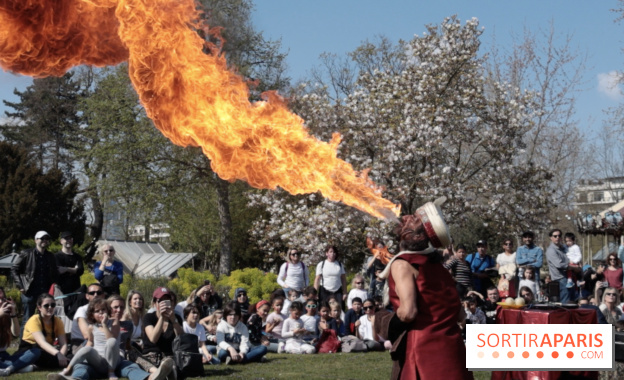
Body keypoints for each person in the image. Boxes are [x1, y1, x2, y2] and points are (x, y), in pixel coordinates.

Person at [375, 201, 472, 379]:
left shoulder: (402, 265)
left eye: (414, 220)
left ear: (413, 235)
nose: (407, 217)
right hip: (454, 351)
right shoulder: (440, 268)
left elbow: (408, 313)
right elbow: (460, 315)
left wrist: (381, 320)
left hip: (425, 353)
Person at [59, 298, 120, 380]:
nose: (101, 312)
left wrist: (104, 325)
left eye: (103, 309)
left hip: (114, 360)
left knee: (112, 341)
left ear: (108, 311)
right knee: (87, 348)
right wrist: (85, 353)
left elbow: (112, 339)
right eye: (97, 311)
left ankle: (111, 372)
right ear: (92, 315)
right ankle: (68, 370)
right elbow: (90, 343)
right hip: (99, 361)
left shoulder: (114, 322)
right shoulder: (91, 327)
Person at [11, 231, 59, 332]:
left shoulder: (50, 256)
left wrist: (53, 287)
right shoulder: (26, 253)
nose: (45, 241)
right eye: (42, 238)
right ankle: (24, 346)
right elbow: (14, 269)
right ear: (36, 240)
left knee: (45, 319)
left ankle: (41, 344)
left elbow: (54, 273)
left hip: (44, 292)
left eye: (47, 239)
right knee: (27, 320)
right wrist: (20, 286)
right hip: (29, 291)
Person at [20, 293, 68, 369]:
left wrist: (61, 356)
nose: (50, 307)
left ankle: (34, 367)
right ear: (39, 307)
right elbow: (42, 343)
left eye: (53, 305)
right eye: (46, 306)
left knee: (69, 356)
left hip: (46, 351)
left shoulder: (58, 321)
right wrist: (58, 355)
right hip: (30, 351)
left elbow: (64, 344)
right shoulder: (34, 320)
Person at [139, 287, 182, 372]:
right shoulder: (149, 317)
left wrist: (173, 320)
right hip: (152, 356)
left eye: (167, 300)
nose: (164, 304)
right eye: (161, 301)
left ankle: (166, 372)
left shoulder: (176, 319)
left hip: (169, 357)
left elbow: (181, 338)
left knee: (171, 364)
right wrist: (162, 318)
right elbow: (153, 339)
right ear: (155, 303)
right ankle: (162, 372)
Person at [0, 291, 39, 376]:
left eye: (2, 299)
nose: (0, 302)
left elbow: (16, 333)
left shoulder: (6, 315)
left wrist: (13, 313)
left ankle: (9, 369)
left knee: (35, 351)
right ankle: (19, 368)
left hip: (5, 356)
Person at [70, 283, 106, 354]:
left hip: (100, 342)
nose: (95, 295)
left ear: (103, 295)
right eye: (92, 293)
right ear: (87, 296)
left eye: (99, 293)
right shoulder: (82, 310)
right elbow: (86, 335)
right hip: (81, 344)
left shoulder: (107, 310)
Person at [545, 229, 571, 303]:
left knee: (571, 301)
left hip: (569, 277)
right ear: (551, 237)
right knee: (565, 302)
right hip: (560, 279)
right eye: (555, 236)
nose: (557, 237)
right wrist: (573, 267)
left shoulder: (564, 248)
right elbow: (559, 265)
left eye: (559, 236)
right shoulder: (551, 250)